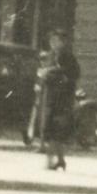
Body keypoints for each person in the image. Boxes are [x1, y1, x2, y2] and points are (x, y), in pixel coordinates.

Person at [34, 30, 82, 172]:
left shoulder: (68, 57)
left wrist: (49, 73)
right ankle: (60, 160)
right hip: (51, 97)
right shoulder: (52, 56)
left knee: (54, 130)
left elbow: (73, 75)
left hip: (61, 100)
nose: (53, 43)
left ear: (63, 42)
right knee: (54, 131)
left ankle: (51, 161)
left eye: (56, 41)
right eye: (51, 41)